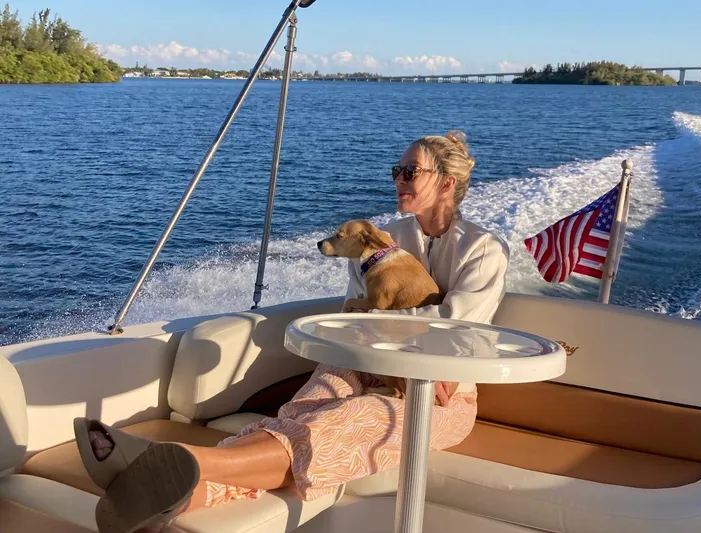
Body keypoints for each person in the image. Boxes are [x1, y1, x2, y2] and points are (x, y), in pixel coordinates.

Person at [75, 130, 510, 533]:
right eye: (396, 170)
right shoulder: (382, 238)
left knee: (344, 421)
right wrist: (362, 333)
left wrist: (379, 330)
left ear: (448, 182)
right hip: (359, 361)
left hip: (439, 390)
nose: (398, 178)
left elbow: (457, 328)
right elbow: (352, 315)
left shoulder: (482, 249)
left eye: (410, 171)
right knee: (301, 414)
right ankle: (173, 503)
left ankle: (172, 460)